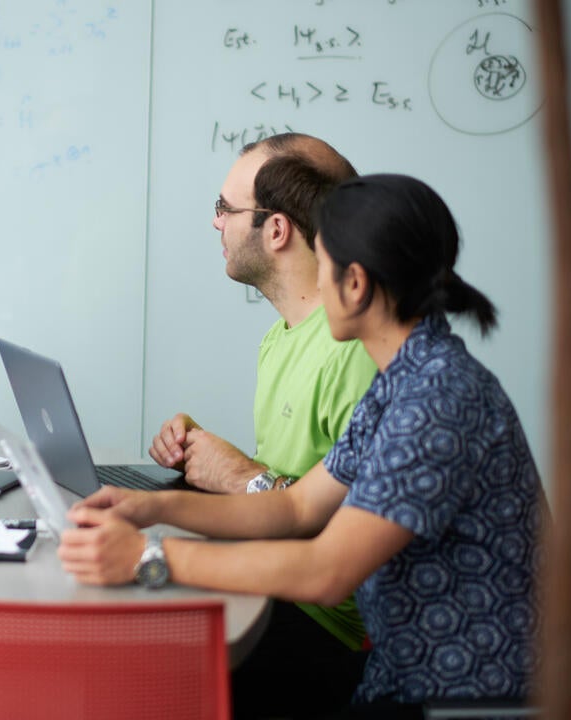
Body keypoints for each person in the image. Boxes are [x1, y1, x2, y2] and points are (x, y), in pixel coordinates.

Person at [59, 174, 543, 717]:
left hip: (457, 695)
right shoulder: (406, 375)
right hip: (407, 672)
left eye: (324, 265)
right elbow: (297, 505)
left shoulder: (436, 399)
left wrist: (148, 558)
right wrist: (150, 507)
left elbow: (326, 574)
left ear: (355, 283)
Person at [152, 134, 380, 715]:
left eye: (225, 209)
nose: (215, 223)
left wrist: (239, 477)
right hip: (283, 587)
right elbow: (292, 489)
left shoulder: (355, 351)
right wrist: (201, 460)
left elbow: (350, 550)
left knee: (145, 655)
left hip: (334, 631)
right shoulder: (280, 340)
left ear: (276, 230)